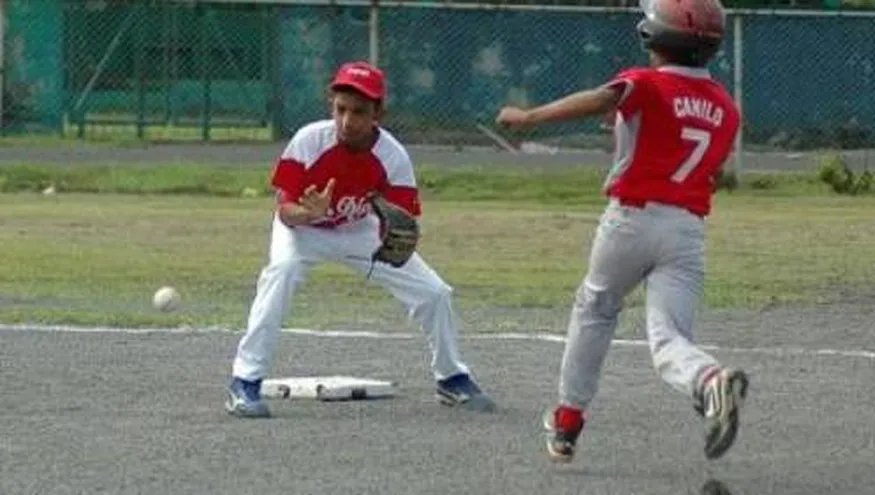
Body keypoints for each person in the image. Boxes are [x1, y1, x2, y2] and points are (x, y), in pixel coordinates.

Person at [495, 0, 749, 463]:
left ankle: (568, 421)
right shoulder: (728, 108)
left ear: (654, 34)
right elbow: (697, 153)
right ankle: (709, 381)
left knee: (595, 308)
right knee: (669, 336)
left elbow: (604, 97)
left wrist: (530, 118)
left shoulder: (646, 81)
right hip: (687, 229)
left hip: (631, 221)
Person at [225, 61, 495, 418]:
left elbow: (403, 219)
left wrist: (394, 236)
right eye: (341, 109)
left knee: (434, 293)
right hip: (303, 231)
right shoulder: (308, 141)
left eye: (359, 112)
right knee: (282, 272)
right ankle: (244, 381)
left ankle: (451, 377)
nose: (347, 121)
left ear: (378, 113)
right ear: (331, 106)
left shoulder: (392, 157)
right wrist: (309, 213)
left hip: (358, 232)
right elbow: (285, 210)